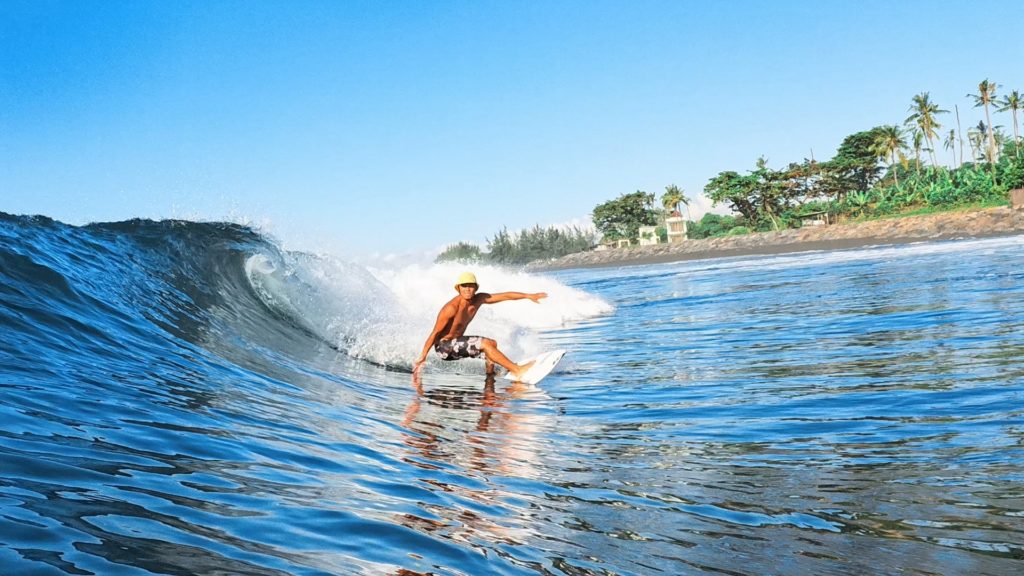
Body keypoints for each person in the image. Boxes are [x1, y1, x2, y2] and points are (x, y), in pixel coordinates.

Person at [413, 272, 547, 381]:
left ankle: (490, 375)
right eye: (464, 286)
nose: (467, 289)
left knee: (492, 343)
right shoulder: (451, 308)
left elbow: (505, 296)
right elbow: (435, 333)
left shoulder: (479, 299)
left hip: (457, 344)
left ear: (476, 288)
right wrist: (423, 356)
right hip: (444, 348)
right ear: (458, 288)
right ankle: (517, 370)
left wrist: (528, 296)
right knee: (485, 344)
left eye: (471, 286)